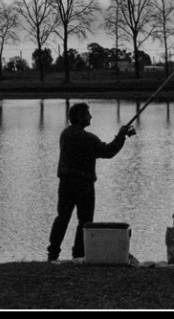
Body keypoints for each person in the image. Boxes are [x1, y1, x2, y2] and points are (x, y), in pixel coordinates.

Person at [47, 102, 135, 262]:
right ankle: (78, 255)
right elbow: (108, 152)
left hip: (65, 183)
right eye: (88, 114)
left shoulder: (65, 134)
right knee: (85, 221)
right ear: (80, 117)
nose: (91, 116)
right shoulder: (88, 138)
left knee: (62, 217)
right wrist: (121, 136)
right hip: (84, 185)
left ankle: (52, 254)